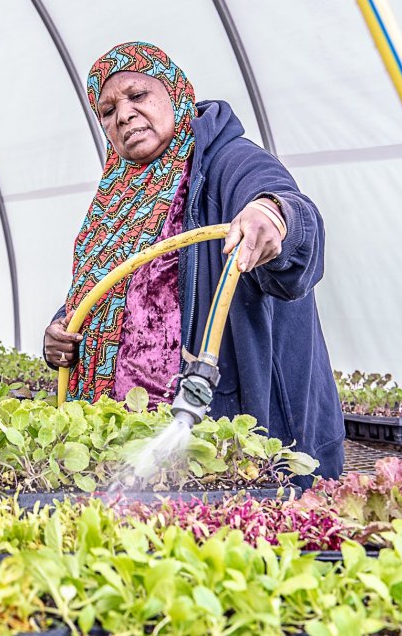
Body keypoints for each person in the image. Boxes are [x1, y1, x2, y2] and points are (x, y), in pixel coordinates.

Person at [43, 41, 343, 481]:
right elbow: (106, 287)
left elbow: (290, 213)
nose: (123, 115)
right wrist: (60, 331)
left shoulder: (227, 160)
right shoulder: (118, 195)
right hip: (118, 433)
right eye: (107, 111)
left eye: (137, 95)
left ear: (176, 91)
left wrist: (272, 214)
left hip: (216, 430)